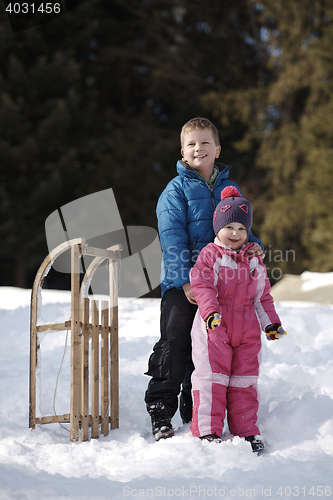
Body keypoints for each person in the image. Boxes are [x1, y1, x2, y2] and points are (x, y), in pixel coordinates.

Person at [144, 117, 264, 441]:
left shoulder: (230, 190)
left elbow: (241, 231)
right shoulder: (175, 190)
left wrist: (256, 249)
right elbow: (171, 239)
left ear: (217, 149)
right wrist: (184, 280)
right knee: (177, 341)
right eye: (192, 144)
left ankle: (193, 404)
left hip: (223, 287)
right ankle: (160, 407)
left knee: (210, 348)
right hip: (182, 283)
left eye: (205, 143)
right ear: (183, 152)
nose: (199, 149)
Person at [189, 185, 287, 453]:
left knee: (244, 381)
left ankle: (245, 430)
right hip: (215, 327)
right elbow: (202, 284)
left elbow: (262, 297)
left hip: (247, 331)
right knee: (213, 379)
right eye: (229, 227)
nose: (235, 233)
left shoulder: (254, 261)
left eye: (242, 229)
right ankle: (208, 429)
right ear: (217, 226)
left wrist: (271, 323)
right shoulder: (212, 254)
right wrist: (210, 312)